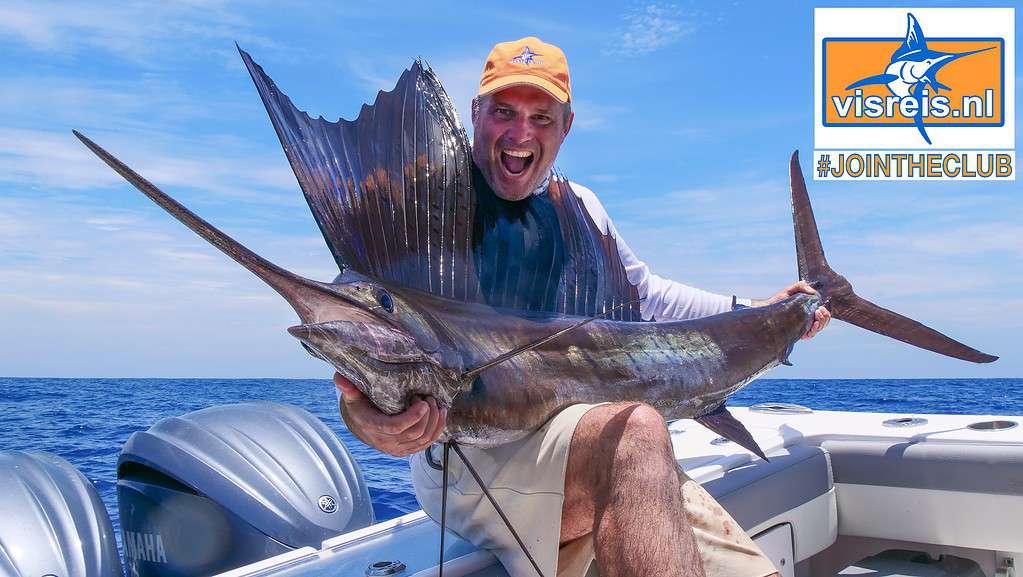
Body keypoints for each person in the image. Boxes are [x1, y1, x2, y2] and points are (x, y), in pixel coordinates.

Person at [335, 37, 831, 577]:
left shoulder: (578, 207)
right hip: (468, 460)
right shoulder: (424, 202)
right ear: (476, 114)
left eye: (541, 117)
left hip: (594, 438)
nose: (520, 133)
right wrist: (363, 415)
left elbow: (650, 299)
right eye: (504, 111)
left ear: (566, 126)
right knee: (640, 430)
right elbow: (360, 324)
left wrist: (763, 309)